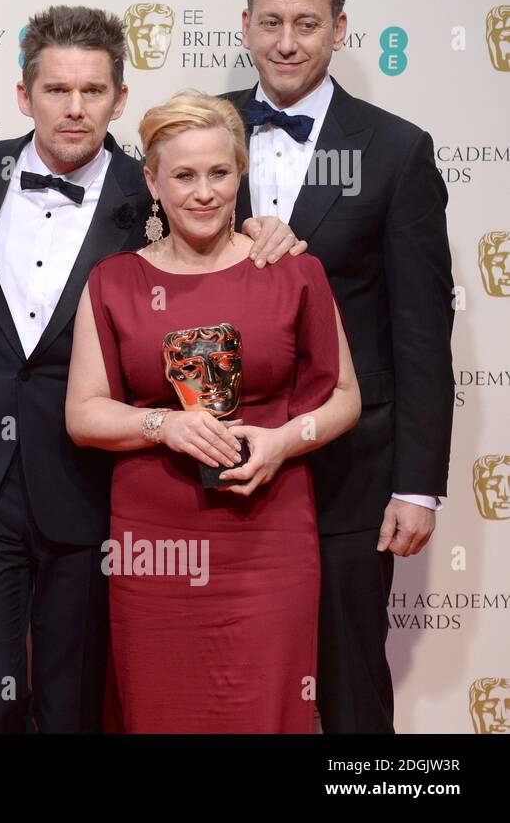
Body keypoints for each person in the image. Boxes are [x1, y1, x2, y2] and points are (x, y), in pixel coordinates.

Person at [0, 6, 303, 733]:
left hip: (89, 479)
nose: (74, 108)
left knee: (74, 707)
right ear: (22, 94)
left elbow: (225, 235)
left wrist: (268, 225)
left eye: (93, 91)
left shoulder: (156, 189)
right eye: (56, 90)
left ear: (121, 99)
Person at [66, 91, 361, 732]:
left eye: (219, 173)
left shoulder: (293, 271)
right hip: (155, 546)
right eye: (183, 175)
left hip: (270, 534)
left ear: (241, 173)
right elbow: (85, 415)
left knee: (269, 709)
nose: (204, 192)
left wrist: (283, 442)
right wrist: (163, 425)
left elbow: (344, 396)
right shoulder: (112, 281)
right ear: (152, 181)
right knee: (162, 710)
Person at [223, 0, 454, 733]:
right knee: (236, 671)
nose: (288, 42)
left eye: (307, 24)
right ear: (244, 26)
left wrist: (417, 482)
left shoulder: (395, 151)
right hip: (226, 455)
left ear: (340, 29)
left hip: (352, 465)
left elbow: (423, 328)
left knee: (350, 678)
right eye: (272, 22)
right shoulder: (201, 132)